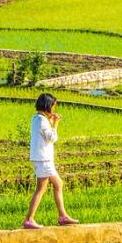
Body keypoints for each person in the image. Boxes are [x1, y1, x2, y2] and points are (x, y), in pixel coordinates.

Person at [24, 93, 79, 229]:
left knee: (58, 184)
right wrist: (55, 123)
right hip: (44, 160)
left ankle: (62, 216)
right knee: (41, 188)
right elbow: (52, 138)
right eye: (53, 106)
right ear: (48, 106)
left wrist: (50, 121)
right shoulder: (42, 121)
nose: (54, 109)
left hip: (43, 159)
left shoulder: (37, 118)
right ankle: (29, 219)